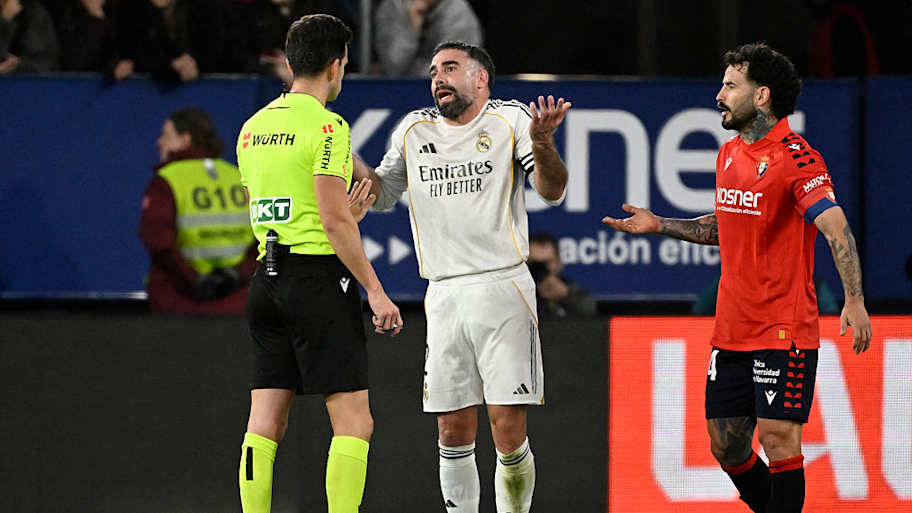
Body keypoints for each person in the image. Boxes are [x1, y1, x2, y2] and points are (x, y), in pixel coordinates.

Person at [602, 42, 872, 513]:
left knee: (779, 438)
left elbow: (836, 228)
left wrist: (854, 299)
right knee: (726, 446)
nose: (719, 94)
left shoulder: (797, 158)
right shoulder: (729, 153)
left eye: (730, 86)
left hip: (783, 327)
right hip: (732, 329)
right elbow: (724, 224)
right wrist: (660, 223)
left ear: (762, 95)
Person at [353, 41, 570, 513]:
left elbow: (552, 191)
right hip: (444, 293)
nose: (438, 79)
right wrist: (336, 145)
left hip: (503, 286)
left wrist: (543, 142)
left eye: (450, 68)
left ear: (480, 79)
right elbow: (382, 194)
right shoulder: (413, 129)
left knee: (507, 429)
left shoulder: (510, 119)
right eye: (433, 71)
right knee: (451, 429)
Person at [235, 14, 402, 513]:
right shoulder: (329, 127)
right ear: (337, 66)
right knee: (355, 423)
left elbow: (260, 203)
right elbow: (332, 221)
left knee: (264, 421)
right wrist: (374, 288)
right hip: (316, 282)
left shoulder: (253, 127)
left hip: (265, 282)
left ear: (290, 63)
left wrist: (335, 218)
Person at [139, 108, 258, 314]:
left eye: (166, 135)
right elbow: (266, 238)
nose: (159, 142)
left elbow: (159, 242)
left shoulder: (166, 181)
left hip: (181, 300)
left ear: (185, 139)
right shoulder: (238, 176)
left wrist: (196, 281)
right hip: (236, 299)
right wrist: (238, 275)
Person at [374, 0, 482, 77]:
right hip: (398, 91)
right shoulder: (393, 6)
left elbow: (454, 70)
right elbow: (393, 67)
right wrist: (411, 30)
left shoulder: (458, 12)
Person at [528, 232, 596, 319]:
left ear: (558, 262)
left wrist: (566, 296)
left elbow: (591, 313)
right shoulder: (518, 290)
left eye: (546, 263)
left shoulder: (566, 289)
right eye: (535, 264)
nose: (540, 269)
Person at [0, 0, 59, 73]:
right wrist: (4, 22)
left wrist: (18, 66)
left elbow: (44, 64)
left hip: (25, 81)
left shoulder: (34, 14)